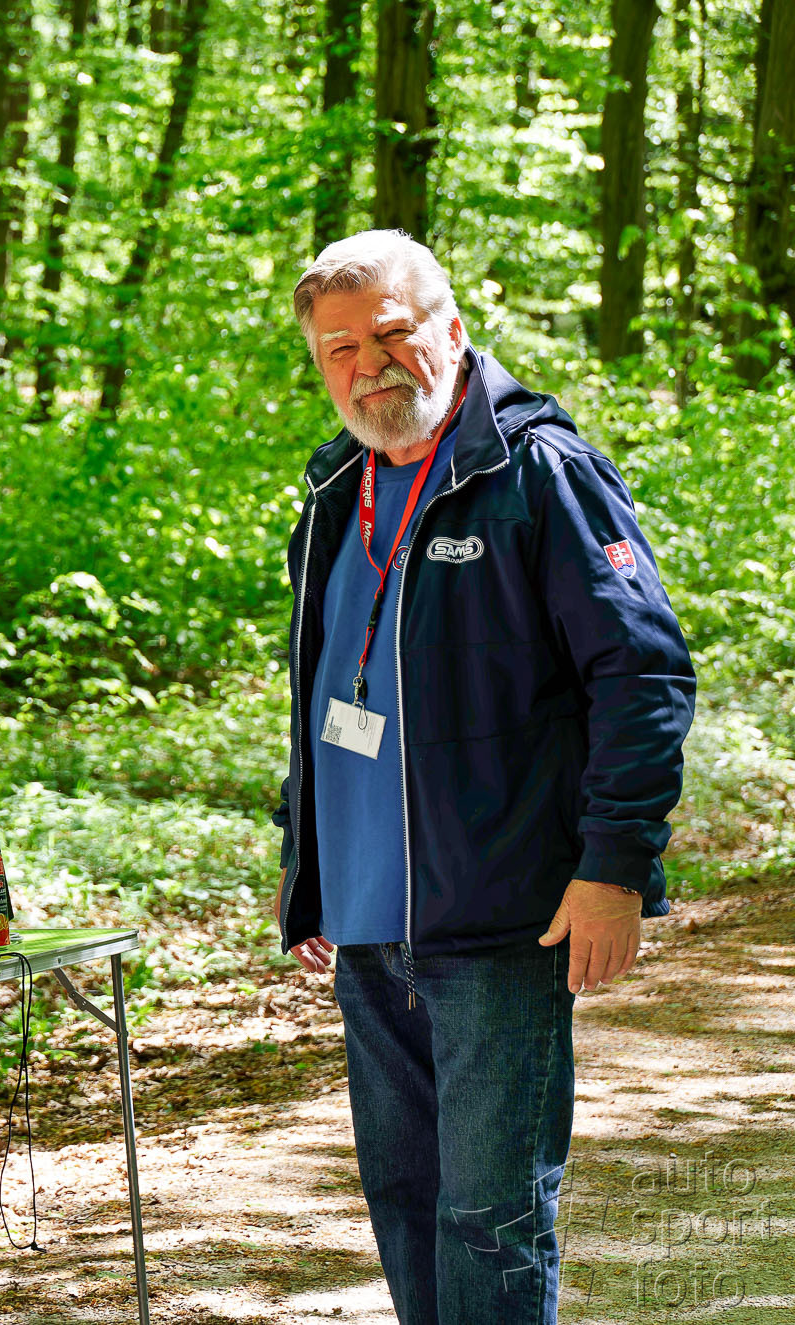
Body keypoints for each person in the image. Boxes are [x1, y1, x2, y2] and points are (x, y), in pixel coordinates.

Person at [272, 230, 694, 1323]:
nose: (368, 366)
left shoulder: (537, 472)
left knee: (490, 1216)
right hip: (366, 924)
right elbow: (326, 685)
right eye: (338, 349)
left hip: (504, 917)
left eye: (390, 334)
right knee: (403, 1199)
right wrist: (305, 860)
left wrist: (613, 868)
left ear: (451, 330)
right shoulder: (333, 489)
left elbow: (641, 673)